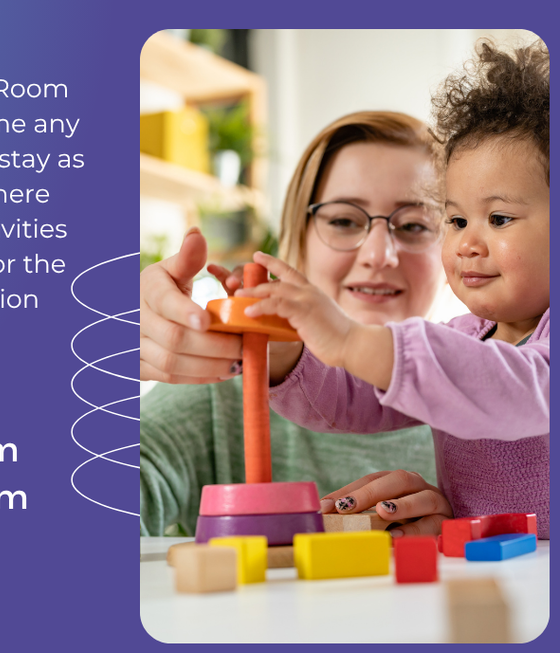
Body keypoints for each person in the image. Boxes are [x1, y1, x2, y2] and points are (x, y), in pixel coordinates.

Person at [242, 41, 549, 539]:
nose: (467, 243)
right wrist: (288, 354)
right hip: (484, 574)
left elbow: (516, 387)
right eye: (454, 219)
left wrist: (352, 339)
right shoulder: (466, 337)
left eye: (498, 218)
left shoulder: (509, 357)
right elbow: (356, 397)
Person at [141, 110, 443, 536]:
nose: (379, 255)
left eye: (414, 224)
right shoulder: (220, 401)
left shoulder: (496, 400)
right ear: (296, 240)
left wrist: (479, 527)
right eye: (343, 221)